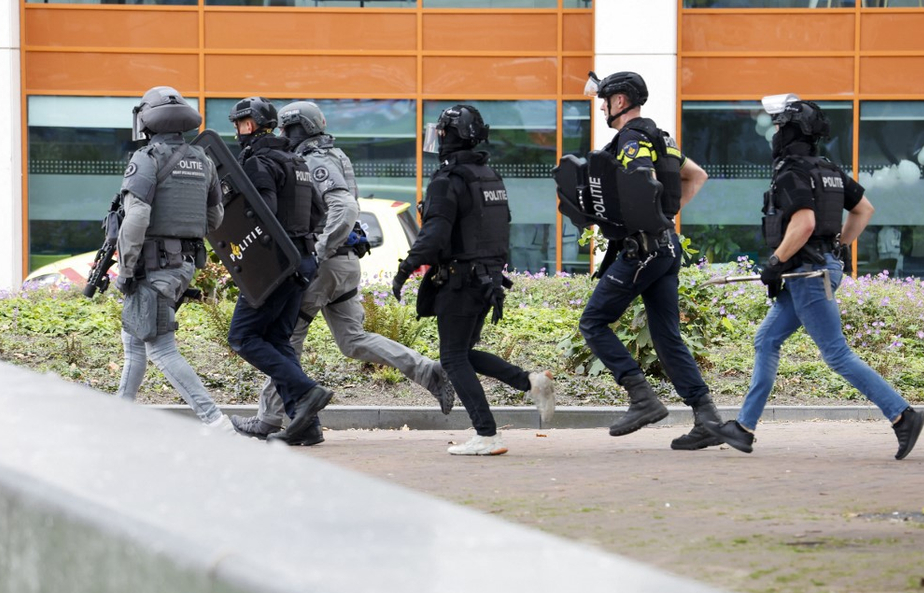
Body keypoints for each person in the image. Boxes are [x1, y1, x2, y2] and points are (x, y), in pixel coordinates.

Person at [705, 95, 923, 460]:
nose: (773, 132)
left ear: (790, 130)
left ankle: (902, 415)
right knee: (766, 340)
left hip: (808, 274)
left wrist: (775, 261)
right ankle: (744, 428)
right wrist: (838, 248)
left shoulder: (792, 172)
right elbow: (864, 209)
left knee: (836, 355)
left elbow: (804, 223)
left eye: (778, 125)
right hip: (813, 269)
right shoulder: (827, 169)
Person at [230, 101, 456, 444]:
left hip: (326, 264)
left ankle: (270, 418)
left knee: (284, 338)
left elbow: (344, 206)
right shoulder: (335, 154)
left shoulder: (313, 159)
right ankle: (427, 371)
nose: (280, 135)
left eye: (284, 130)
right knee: (353, 340)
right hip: (346, 262)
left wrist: (316, 250)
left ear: (295, 129)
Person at [392, 104, 556, 456]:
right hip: (487, 281)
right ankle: (529, 381)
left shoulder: (448, 181)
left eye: (441, 134)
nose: (438, 141)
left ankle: (487, 433)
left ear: (451, 137)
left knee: (452, 358)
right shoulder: (488, 177)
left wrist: (407, 268)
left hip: (460, 281)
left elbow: (434, 234)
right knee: (462, 353)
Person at [577, 71, 726, 450]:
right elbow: (696, 175)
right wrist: (665, 221)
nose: (602, 107)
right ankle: (707, 417)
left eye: (605, 100)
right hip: (665, 247)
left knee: (593, 322)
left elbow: (639, 180)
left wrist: (645, 222)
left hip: (642, 250)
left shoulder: (630, 139)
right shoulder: (662, 137)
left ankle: (641, 397)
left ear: (620, 101)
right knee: (666, 336)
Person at [114, 85, 234, 435]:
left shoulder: (146, 158)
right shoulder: (203, 161)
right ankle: (119, 418)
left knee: (161, 348)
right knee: (134, 339)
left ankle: (215, 421)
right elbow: (215, 220)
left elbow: (135, 219)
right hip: (181, 265)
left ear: (147, 122)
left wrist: (125, 268)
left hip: (152, 266)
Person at [225, 97, 334, 444]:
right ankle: (308, 428)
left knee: (243, 337)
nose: (239, 131)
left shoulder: (259, 162)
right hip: (301, 259)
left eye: (242, 124)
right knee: (277, 340)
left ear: (254, 124)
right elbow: (318, 213)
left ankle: (308, 390)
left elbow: (262, 214)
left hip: (273, 263)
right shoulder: (296, 161)